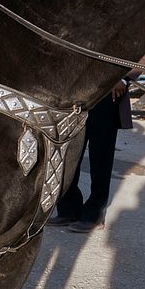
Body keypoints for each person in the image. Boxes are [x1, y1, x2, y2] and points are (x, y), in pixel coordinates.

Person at [48, 77, 134, 232]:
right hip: (77, 92)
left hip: (107, 93)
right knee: (69, 154)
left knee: (100, 156)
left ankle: (94, 215)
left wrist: (124, 78)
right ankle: (69, 209)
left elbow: (142, 55)